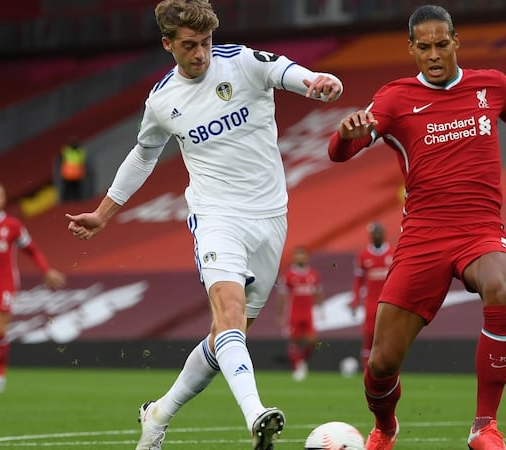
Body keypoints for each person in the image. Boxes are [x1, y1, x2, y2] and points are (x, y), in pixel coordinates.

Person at [64, 1, 342, 449]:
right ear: (167, 44)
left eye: (206, 42)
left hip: (270, 217)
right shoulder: (162, 101)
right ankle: (257, 415)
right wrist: (103, 213)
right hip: (216, 217)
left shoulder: (242, 62)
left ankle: (157, 415)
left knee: (224, 338)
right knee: (228, 313)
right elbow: (143, 155)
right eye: (190, 45)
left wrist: (315, 82)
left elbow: (287, 72)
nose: (201, 54)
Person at [326, 5, 506, 449]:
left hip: (480, 229)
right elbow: (339, 154)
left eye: (441, 44)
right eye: (424, 47)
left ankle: (484, 426)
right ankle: (385, 426)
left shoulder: (492, 86)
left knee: (501, 286)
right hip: (423, 238)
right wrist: (345, 134)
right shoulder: (394, 99)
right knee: (380, 364)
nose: (434, 54)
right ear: (411, 49)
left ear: (456, 41)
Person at [0, 181, 66, 393]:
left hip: (4, 282)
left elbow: (32, 250)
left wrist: (46, 270)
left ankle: (0, 375)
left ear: (3, 200)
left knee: (0, 329)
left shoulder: (13, 226)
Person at [275, 246, 323, 382]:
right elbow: (282, 296)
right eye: (298, 255)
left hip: (308, 314)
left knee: (312, 341)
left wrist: (321, 309)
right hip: (294, 314)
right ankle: (297, 368)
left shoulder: (313, 274)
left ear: (307, 257)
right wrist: (280, 314)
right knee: (294, 341)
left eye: (303, 255)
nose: (300, 257)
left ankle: (300, 361)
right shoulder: (289, 275)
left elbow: (318, 292)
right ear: (294, 258)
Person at [349, 222, 393, 370]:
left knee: (389, 336)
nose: (377, 235)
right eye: (374, 233)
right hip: (371, 302)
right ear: (370, 236)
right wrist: (355, 300)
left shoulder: (393, 253)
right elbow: (358, 281)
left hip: (390, 302)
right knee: (369, 336)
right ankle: (367, 370)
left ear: (384, 234)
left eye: (379, 232)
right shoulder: (363, 256)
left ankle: (388, 369)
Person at [58, 135, 88, 202]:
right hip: (69, 174)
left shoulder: (79, 151)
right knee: (68, 189)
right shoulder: (67, 150)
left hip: (75, 174)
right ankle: (66, 201)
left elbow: (82, 162)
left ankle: (77, 201)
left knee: (76, 189)